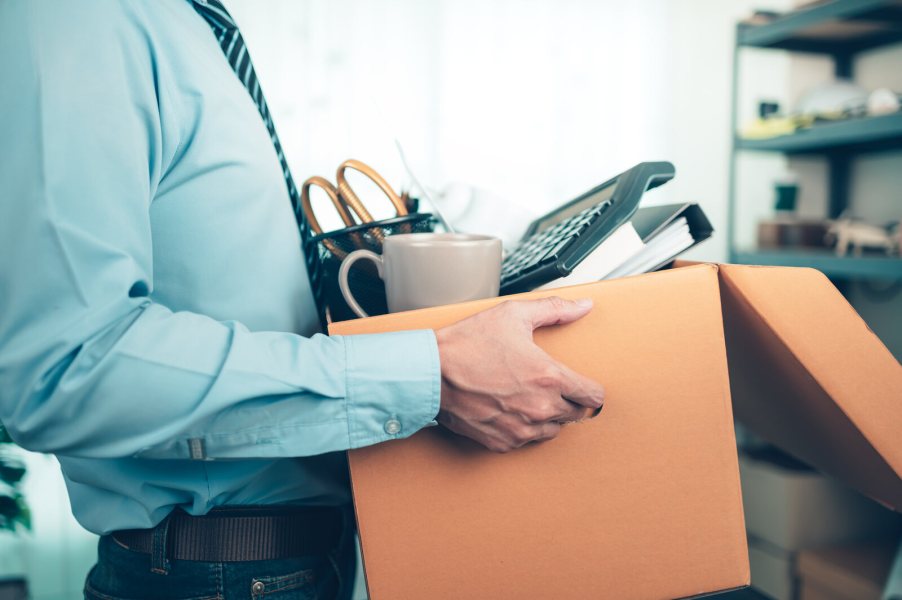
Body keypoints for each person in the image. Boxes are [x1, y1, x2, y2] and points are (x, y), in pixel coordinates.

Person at [0, 1, 605, 599]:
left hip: (306, 560)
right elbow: (65, 367)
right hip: (218, 575)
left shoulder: (185, 24)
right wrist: (431, 375)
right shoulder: (80, 17)